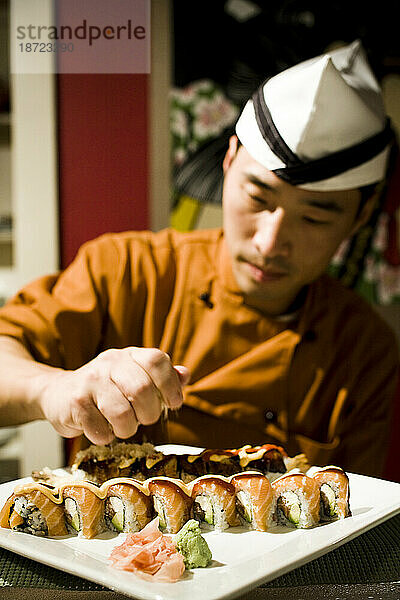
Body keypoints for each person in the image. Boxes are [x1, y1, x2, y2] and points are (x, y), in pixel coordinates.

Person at [0, 40, 398, 477]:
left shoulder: (365, 350)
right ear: (228, 162)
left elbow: (358, 521)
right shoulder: (126, 269)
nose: (269, 243)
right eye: (257, 196)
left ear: (360, 216)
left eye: (315, 219)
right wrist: (52, 388)